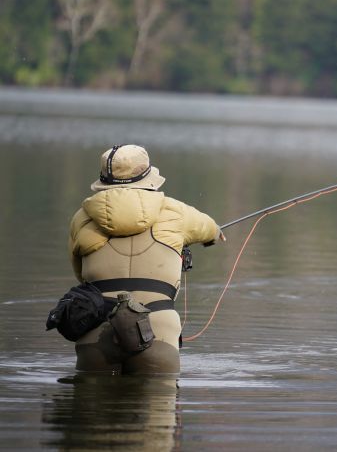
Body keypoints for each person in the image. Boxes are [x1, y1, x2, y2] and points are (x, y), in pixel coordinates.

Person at [68, 144, 223, 374]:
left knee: (91, 408)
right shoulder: (175, 211)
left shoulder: (81, 219)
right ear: (148, 177)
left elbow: (81, 275)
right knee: (157, 403)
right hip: (157, 335)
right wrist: (215, 234)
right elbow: (211, 229)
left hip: (95, 335)